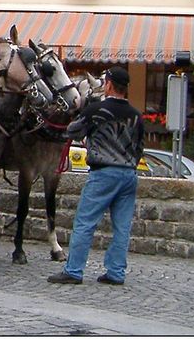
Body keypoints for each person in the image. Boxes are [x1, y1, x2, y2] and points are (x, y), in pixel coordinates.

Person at [48, 65, 144, 286]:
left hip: (103, 172)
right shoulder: (136, 116)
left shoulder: (97, 111)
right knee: (122, 226)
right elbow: (140, 147)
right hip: (129, 173)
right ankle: (116, 272)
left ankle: (74, 270)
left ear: (108, 85)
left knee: (85, 222)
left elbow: (72, 131)